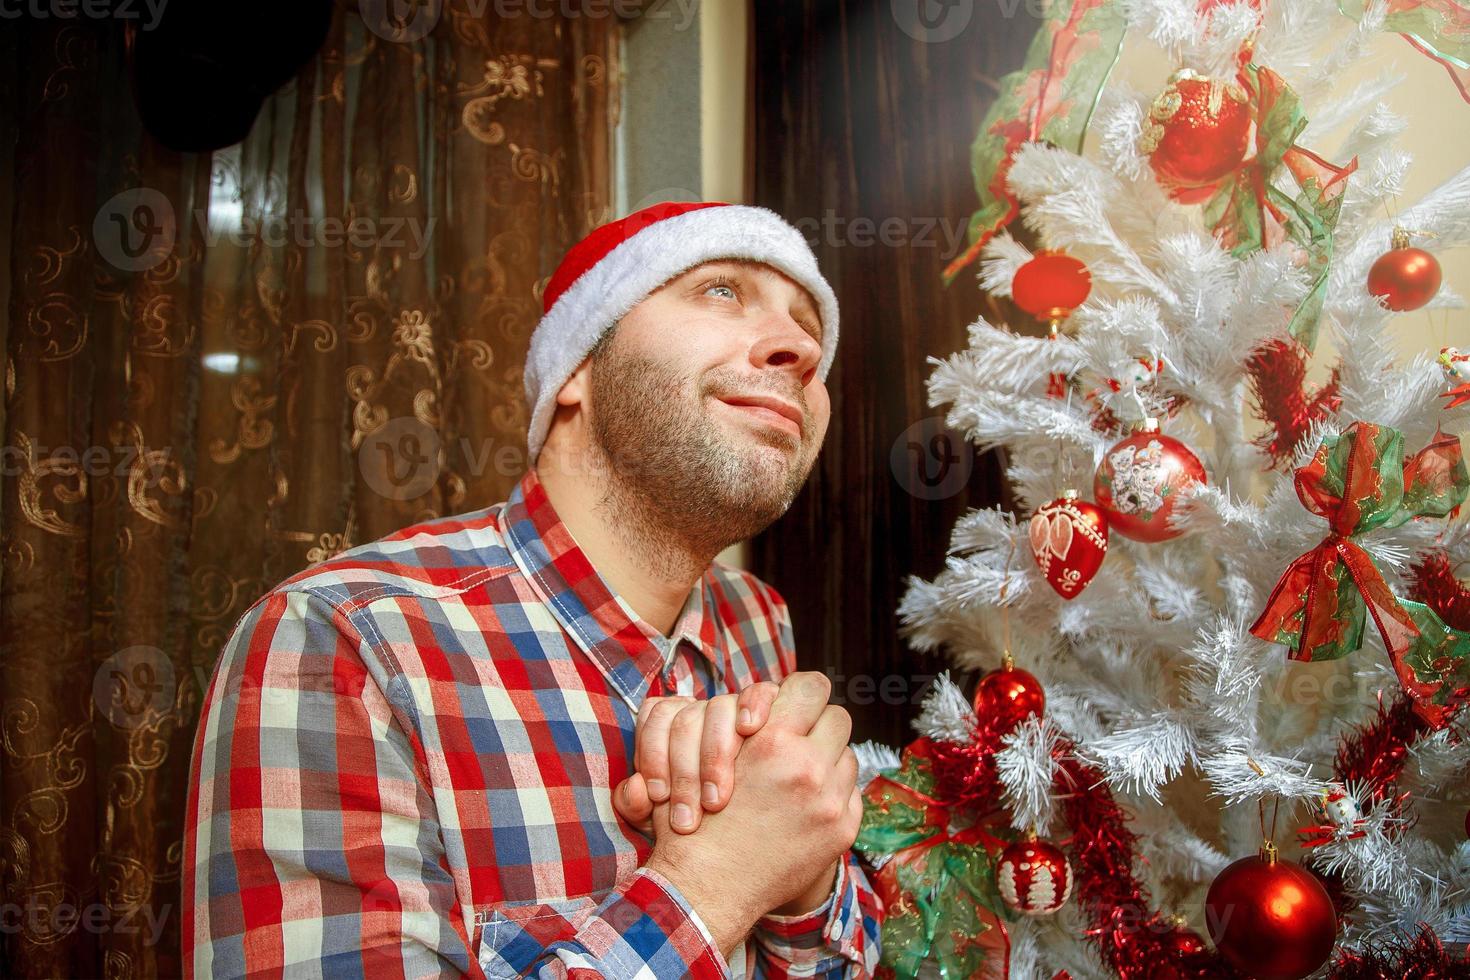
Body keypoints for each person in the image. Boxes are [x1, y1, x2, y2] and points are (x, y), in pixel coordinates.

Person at [183, 201, 883, 978]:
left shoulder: (757, 621)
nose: (803, 349)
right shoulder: (341, 642)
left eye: (810, 325)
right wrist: (714, 887)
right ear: (576, 367)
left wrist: (804, 880)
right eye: (722, 289)